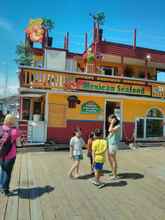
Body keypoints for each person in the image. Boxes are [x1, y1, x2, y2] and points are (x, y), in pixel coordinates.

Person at [0, 114, 20, 195]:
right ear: (13, 121)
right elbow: (19, 144)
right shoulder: (15, 131)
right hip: (10, 155)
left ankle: (1, 186)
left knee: (3, 170)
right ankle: (6, 190)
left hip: (1, 154)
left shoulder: (0, 128)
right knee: (8, 172)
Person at [107, 114, 120, 180]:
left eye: (109, 119)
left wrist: (112, 123)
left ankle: (115, 176)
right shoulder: (114, 126)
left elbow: (109, 130)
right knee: (109, 159)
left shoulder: (118, 126)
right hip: (110, 144)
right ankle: (113, 172)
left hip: (113, 145)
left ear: (113, 119)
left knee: (113, 160)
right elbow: (109, 135)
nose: (108, 120)